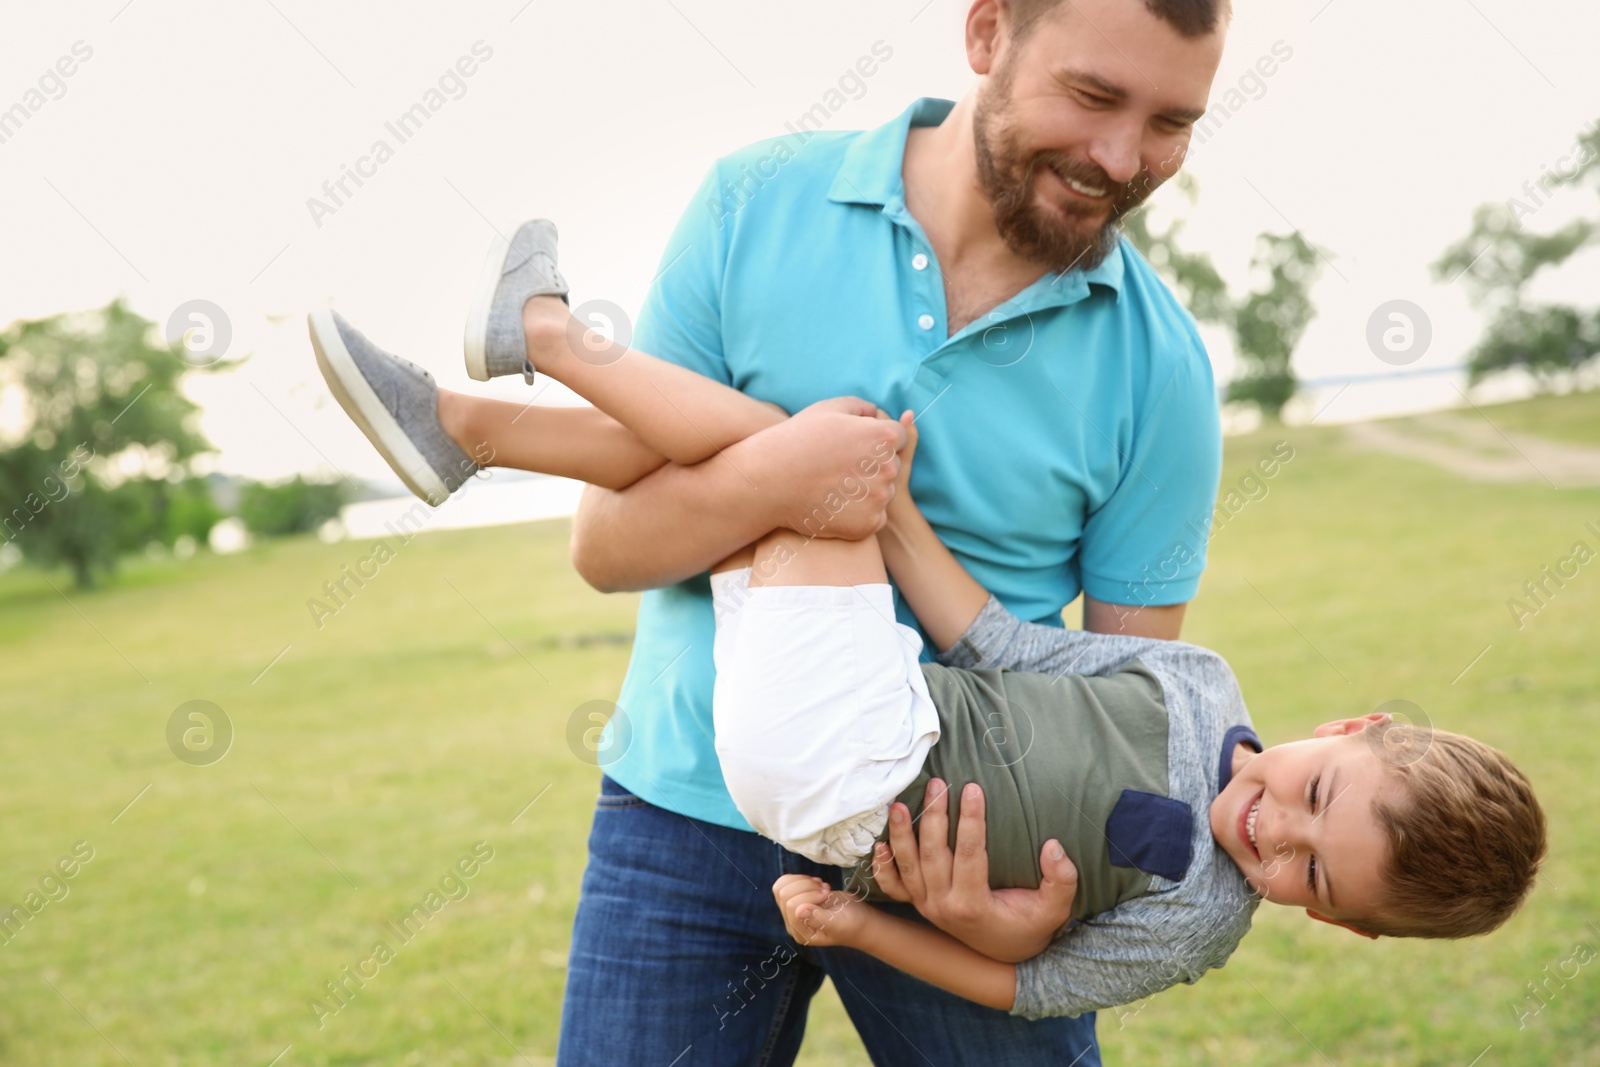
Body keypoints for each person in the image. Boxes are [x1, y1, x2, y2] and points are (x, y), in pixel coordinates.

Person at [324, 0, 1244, 1057]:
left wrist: (1046, 908)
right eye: (1091, 96)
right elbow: (608, 548)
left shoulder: (1158, 365)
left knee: (830, 446)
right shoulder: (754, 202)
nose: (1120, 156)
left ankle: (490, 402)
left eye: (1172, 123)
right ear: (988, 34)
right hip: (682, 813)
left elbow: (1127, 713)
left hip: (964, 854)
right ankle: (495, 401)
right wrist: (784, 478)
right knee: (824, 447)